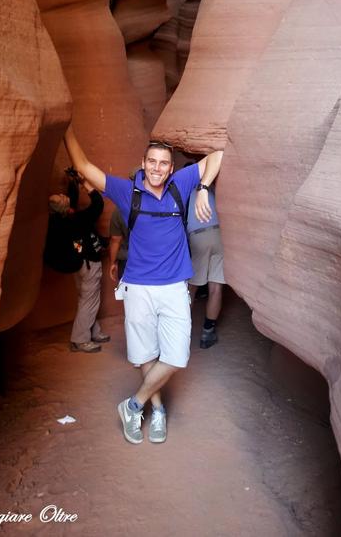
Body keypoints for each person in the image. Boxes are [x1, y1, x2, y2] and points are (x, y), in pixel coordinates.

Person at [64, 127, 223, 444]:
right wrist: (66, 125)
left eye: (164, 163)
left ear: (171, 168)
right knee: (147, 353)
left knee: (177, 358)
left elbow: (217, 156)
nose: (157, 168)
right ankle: (158, 410)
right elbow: (83, 166)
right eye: (152, 162)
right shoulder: (127, 191)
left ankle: (133, 404)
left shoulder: (181, 184)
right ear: (143, 163)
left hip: (175, 286)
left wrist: (203, 188)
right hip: (137, 287)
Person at [44, 173, 111, 353]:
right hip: (88, 264)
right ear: (64, 207)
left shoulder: (58, 220)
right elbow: (98, 204)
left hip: (77, 264)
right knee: (88, 302)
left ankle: (92, 331)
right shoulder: (78, 220)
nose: (64, 196)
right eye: (62, 198)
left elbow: (71, 201)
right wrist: (85, 183)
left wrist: (72, 182)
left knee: (88, 300)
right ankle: (80, 340)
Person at [187, 185, 225, 348]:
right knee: (216, 288)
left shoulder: (185, 190)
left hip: (197, 236)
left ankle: (181, 331)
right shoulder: (213, 189)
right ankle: (207, 333)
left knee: (191, 287)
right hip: (219, 234)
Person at [109, 207, 128, 283]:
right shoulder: (155, 207)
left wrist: (113, 263)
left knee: (128, 293)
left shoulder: (119, 210)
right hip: (155, 260)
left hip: (127, 260)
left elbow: (115, 240)